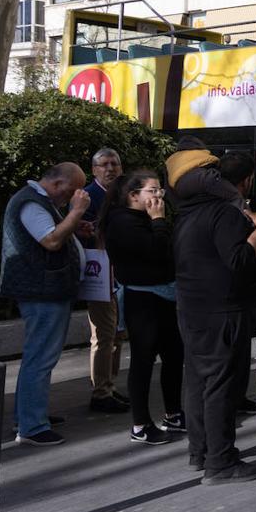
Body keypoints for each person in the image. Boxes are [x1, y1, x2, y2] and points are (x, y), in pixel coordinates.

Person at [172, 150, 256, 483]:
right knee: (222, 387)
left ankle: (200, 452)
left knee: (199, 382)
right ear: (246, 181)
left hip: (192, 308)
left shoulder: (187, 212)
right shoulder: (223, 213)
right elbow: (240, 260)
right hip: (223, 312)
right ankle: (221, 462)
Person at [1, 163, 89, 446]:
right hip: (42, 291)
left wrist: (75, 224)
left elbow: (54, 234)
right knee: (41, 357)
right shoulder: (31, 203)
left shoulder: (37, 201)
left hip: (46, 290)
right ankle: (31, 426)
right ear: (58, 183)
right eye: (74, 189)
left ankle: (29, 415)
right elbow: (50, 240)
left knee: (40, 356)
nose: (76, 195)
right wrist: (75, 213)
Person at [100, 170, 184, 445]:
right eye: (152, 190)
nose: (158, 196)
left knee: (173, 357)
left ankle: (173, 413)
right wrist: (159, 220)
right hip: (143, 300)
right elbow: (157, 251)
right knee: (143, 361)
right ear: (132, 195)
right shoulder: (123, 222)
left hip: (165, 296)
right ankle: (141, 424)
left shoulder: (143, 219)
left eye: (160, 190)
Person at [82, 148, 128, 414]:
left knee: (117, 334)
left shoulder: (122, 195)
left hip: (120, 272)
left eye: (115, 164)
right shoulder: (88, 197)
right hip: (99, 274)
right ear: (94, 169)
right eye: (104, 164)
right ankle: (100, 392)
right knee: (103, 335)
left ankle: (109, 386)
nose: (110, 168)